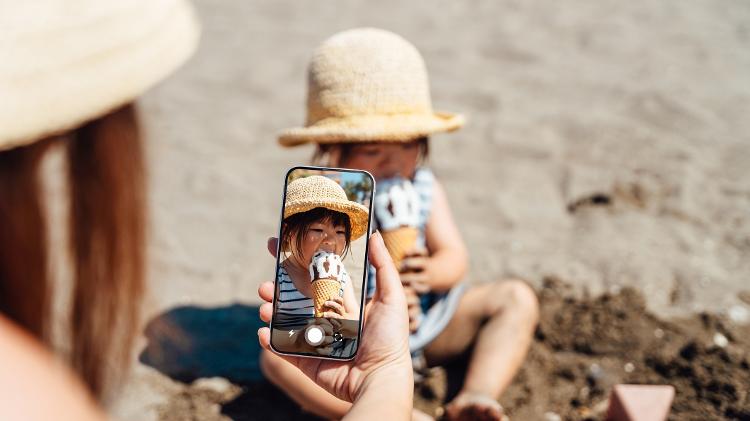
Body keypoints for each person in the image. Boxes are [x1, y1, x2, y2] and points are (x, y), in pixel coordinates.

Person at [0, 3, 412, 419]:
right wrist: (385, 380)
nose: (331, 241)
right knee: (277, 356)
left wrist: (382, 369)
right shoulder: (35, 393)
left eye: (339, 233)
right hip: (351, 359)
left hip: (389, 333)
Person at [268, 28, 541, 421]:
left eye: (408, 146)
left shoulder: (426, 187)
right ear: (333, 149)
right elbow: (308, 271)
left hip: (427, 322)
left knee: (516, 298)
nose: (394, 164)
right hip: (356, 336)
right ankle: (401, 414)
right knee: (276, 361)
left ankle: (477, 395)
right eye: (373, 150)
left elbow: (455, 257)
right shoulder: (323, 199)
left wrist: (431, 274)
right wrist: (349, 310)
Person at [273, 175, 367, 357]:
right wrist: (301, 338)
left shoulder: (340, 276)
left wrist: (346, 322)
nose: (331, 241)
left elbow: (357, 319)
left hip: (337, 353)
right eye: (318, 230)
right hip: (299, 359)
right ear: (288, 233)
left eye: (340, 232)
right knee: (274, 362)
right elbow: (276, 336)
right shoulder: (281, 278)